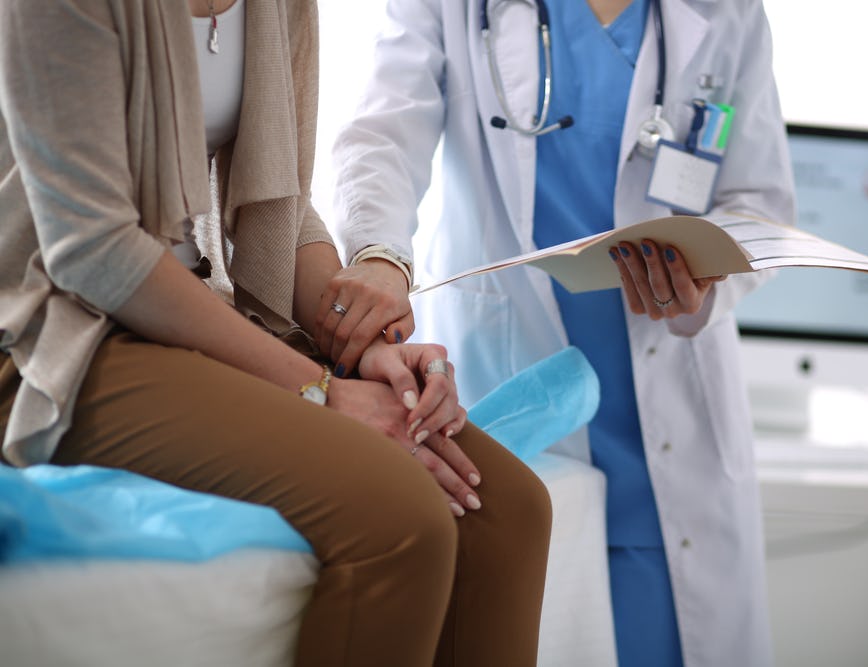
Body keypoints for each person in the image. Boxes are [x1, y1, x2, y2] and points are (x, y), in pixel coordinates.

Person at [0, 1, 552, 666]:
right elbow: (94, 249)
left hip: (196, 313)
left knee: (510, 512)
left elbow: (280, 200)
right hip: (57, 334)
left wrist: (363, 345)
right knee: (400, 518)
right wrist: (322, 390)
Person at [327, 1, 795, 665]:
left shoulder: (728, 12)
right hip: (513, 396)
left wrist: (710, 276)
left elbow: (760, 202)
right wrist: (378, 252)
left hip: (663, 436)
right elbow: (381, 134)